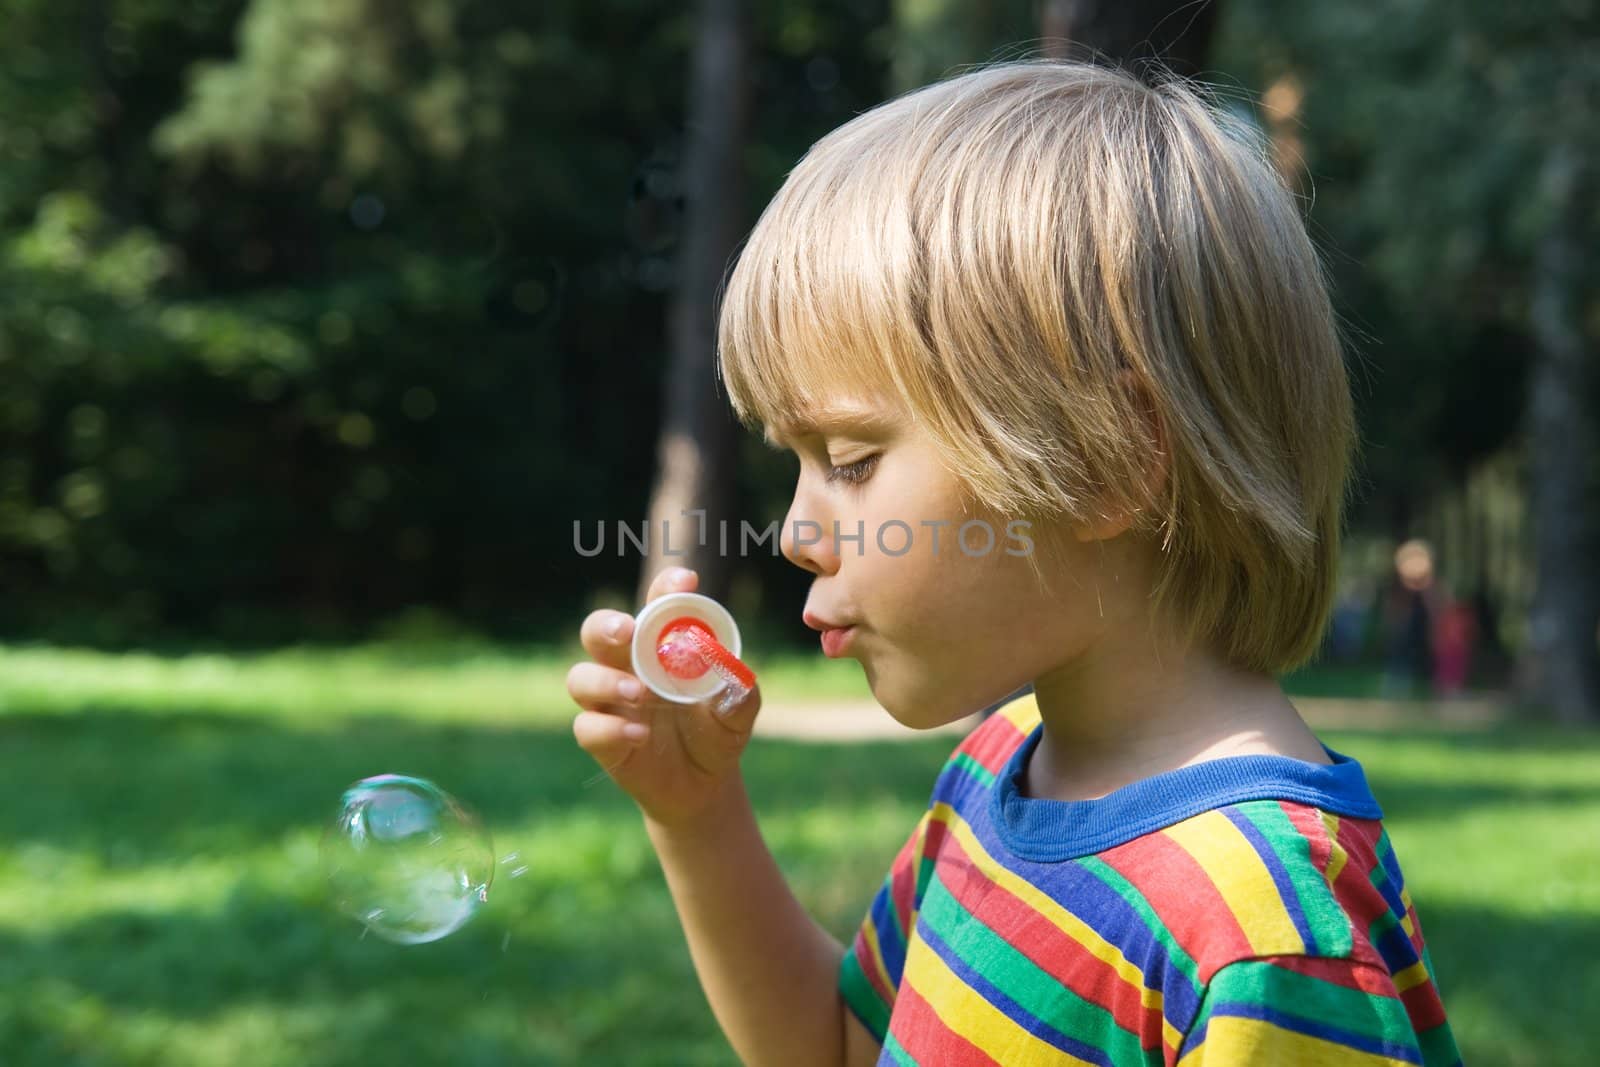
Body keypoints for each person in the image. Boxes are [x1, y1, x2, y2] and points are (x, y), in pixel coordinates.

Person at [566, 60, 1459, 1065]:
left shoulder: (1260, 934)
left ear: (1103, 458)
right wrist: (696, 814)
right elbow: (838, 1044)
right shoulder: (1003, 765)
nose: (793, 533)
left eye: (850, 460)